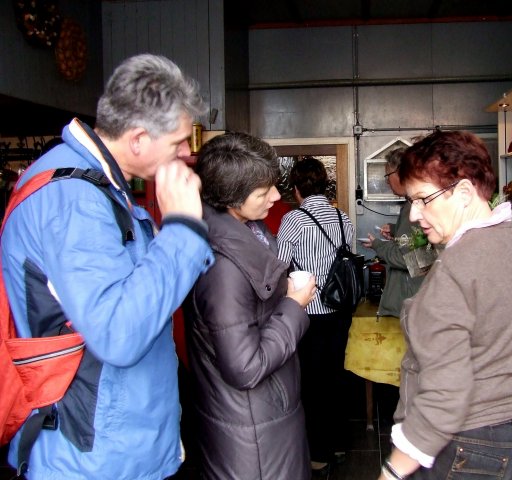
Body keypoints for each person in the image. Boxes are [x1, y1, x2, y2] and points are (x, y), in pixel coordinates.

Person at [1, 54, 214, 479]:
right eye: (178, 141)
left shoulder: (103, 188)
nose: (187, 152)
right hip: (91, 457)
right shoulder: (72, 200)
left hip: (117, 447)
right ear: (138, 139)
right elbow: (119, 334)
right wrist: (183, 229)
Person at [379, 130, 512, 480]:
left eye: (423, 199)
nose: (414, 214)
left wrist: (393, 470)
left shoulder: (457, 266)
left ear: (463, 192)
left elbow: (445, 394)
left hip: (468, 446)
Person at [183, 132, 316, 480]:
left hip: (264, 416)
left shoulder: (248, 229)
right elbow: (244, 368)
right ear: (231, 198)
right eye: (263, 192)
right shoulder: (222, 267)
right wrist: (293, 305)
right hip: (251, 431)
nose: (276, 196)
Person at [277, 157, 355, 473]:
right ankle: (339, 443)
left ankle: (318, 452)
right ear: (325, 185)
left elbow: (279, 265)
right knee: (337, 374)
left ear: (296, 188)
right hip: (340, 308)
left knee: (312, 381)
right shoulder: (342, 217)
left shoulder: (294, 220)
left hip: (309, 311)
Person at [360, 147, 425, 318]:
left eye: (388, 175)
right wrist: (396, 229)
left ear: (401, 172)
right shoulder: (414, 204)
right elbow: (423, 252)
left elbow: (406, 260)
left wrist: (378, 245)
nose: (387, 182)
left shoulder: (414, 206)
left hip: (410, 305)